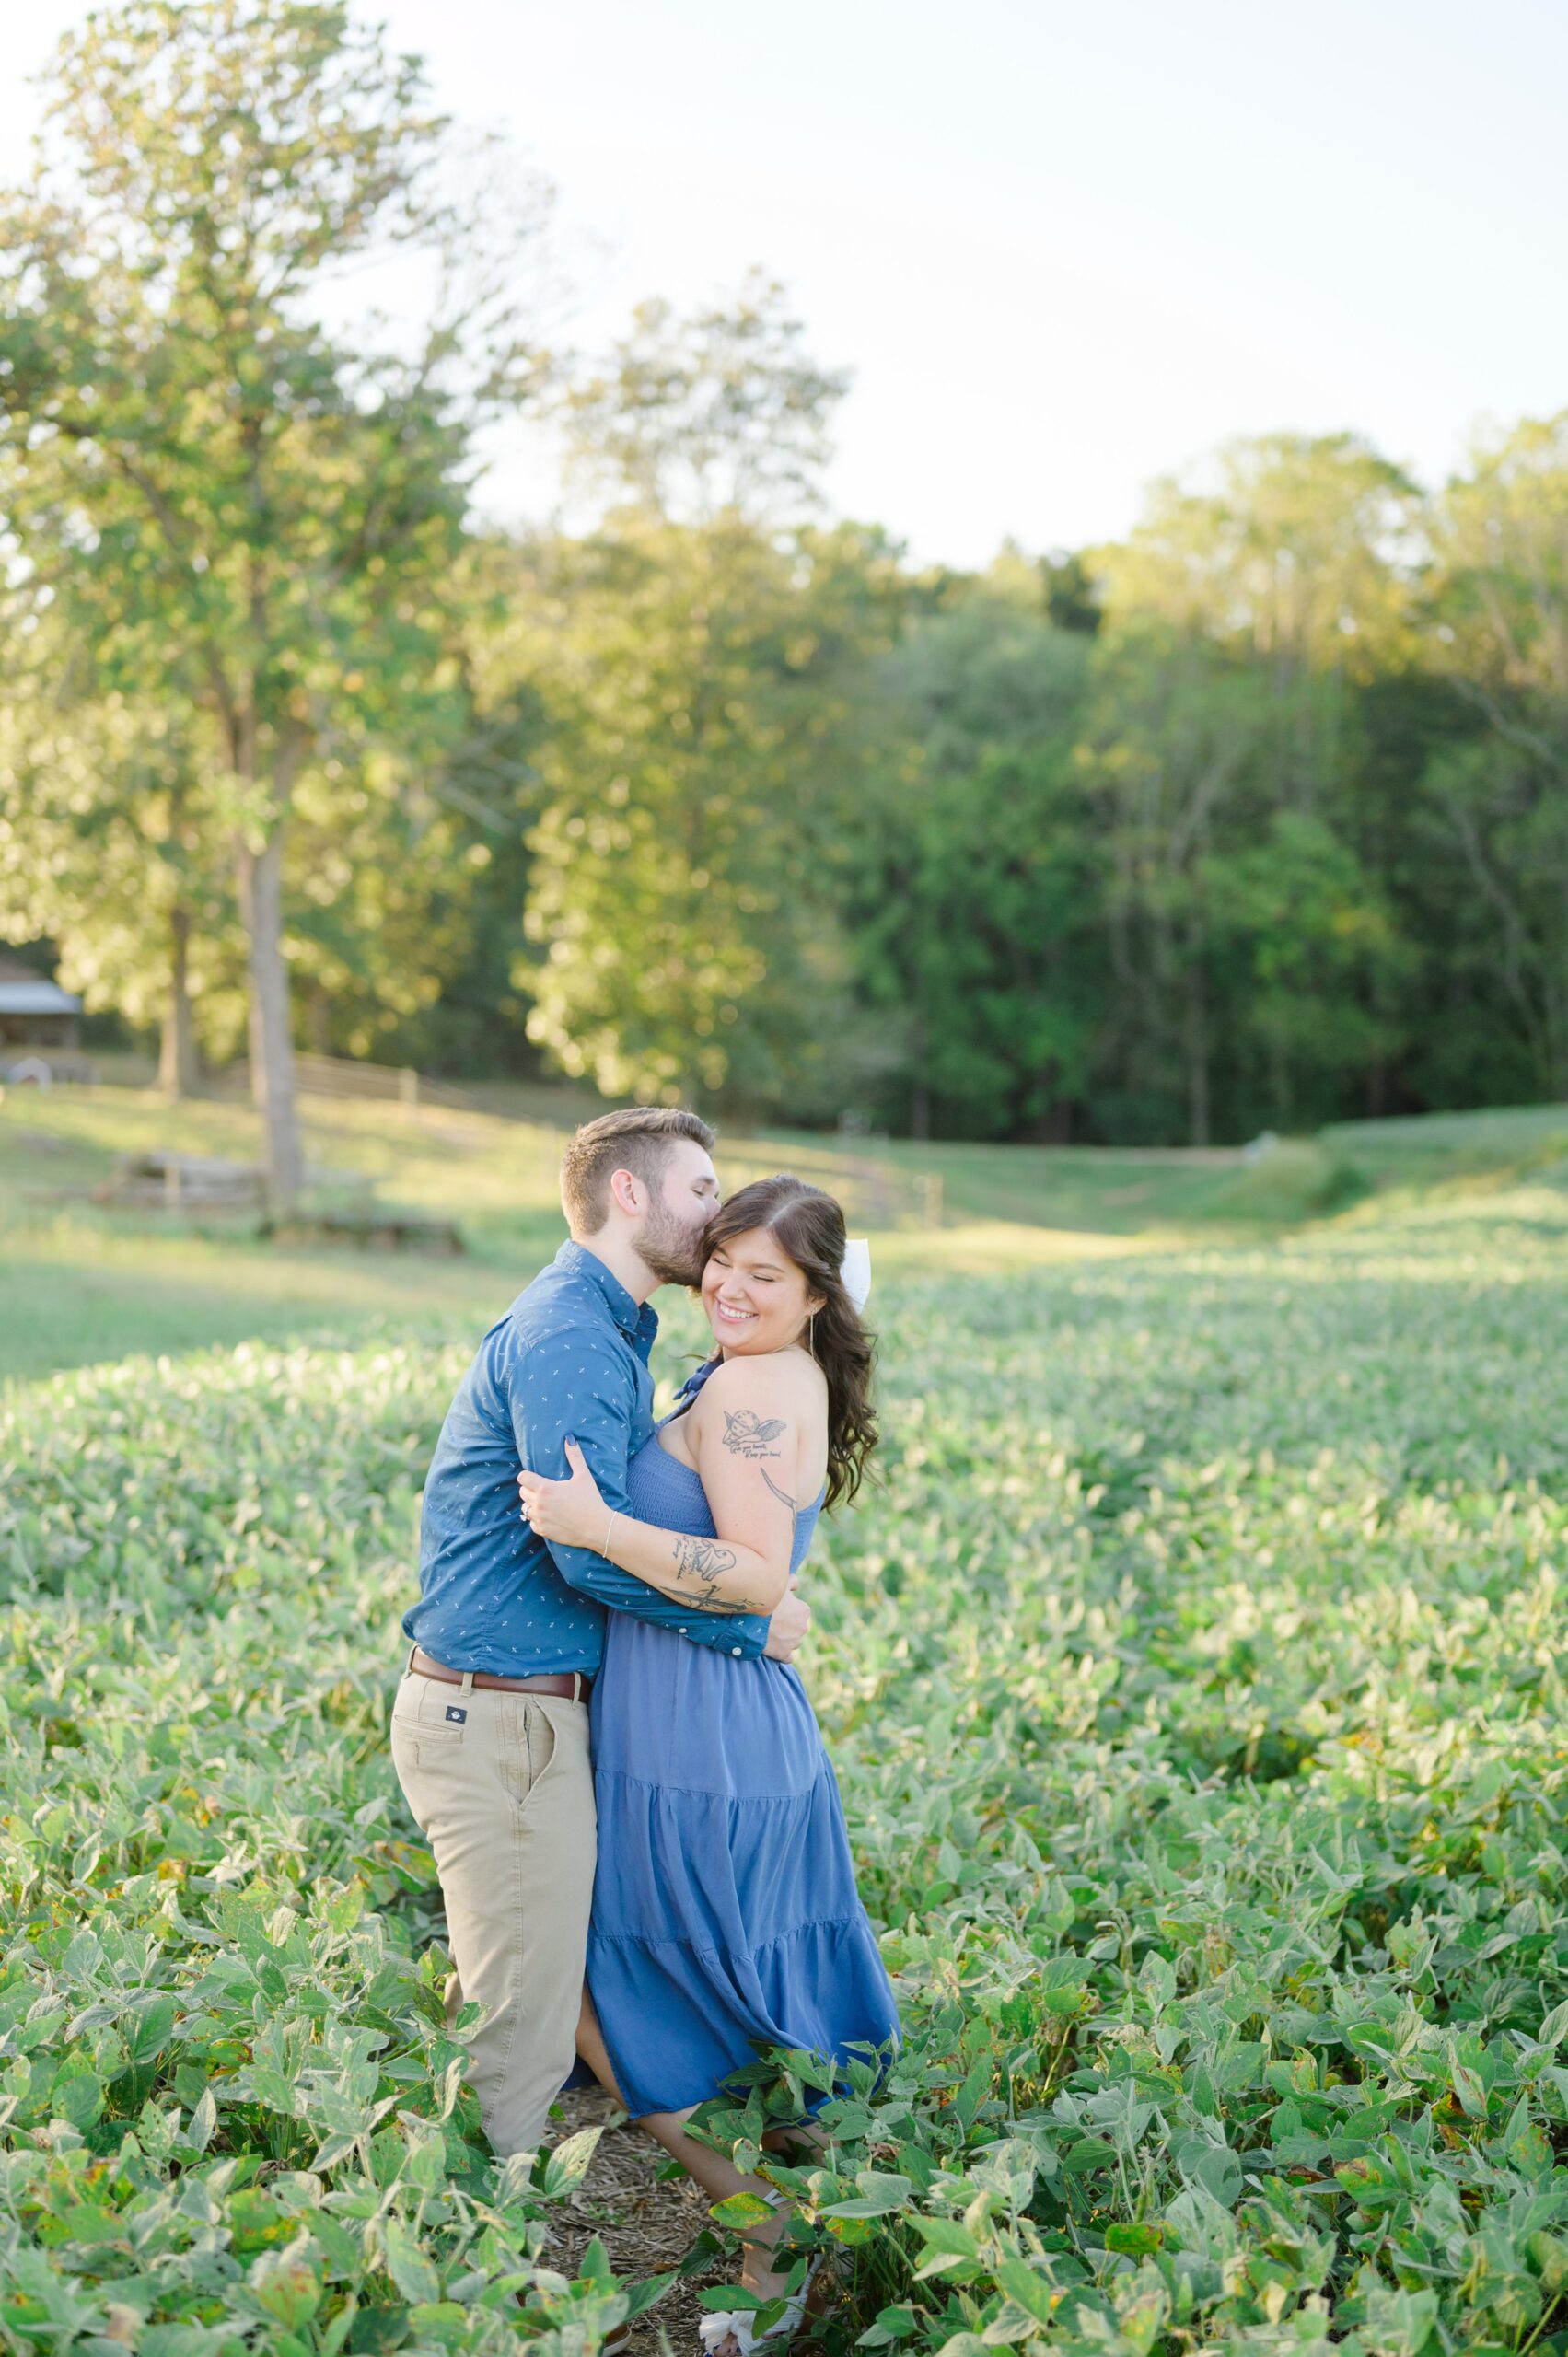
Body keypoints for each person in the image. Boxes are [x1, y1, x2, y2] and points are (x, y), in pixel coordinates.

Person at [517, 1174, 900, 2355]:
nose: (728, 1286)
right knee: (735, 1993)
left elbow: (751, 1575)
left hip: (700, 1742)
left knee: (595, 1985)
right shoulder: (787, 1374)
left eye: (763, 1275)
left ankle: (766, 2228)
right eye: (723, 1258)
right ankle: (796, 2240)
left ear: (814, 1293)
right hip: (734, 1724)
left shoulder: (746, 1387)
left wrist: (599, 1526)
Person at [390, 1109, 812, 2161]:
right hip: (497, 1714)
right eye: (703, 1189)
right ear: (631, 1194)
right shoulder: (573, 1333)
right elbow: (582, 1550)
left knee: (546, 1987)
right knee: (524, 2021)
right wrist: (745, 1623)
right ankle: (490, 2274)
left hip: (521, 1709)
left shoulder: (619, 1327)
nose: (721, 1214)